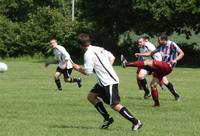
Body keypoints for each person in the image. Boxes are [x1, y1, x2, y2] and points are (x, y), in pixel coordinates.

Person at [72, 33, 142, 131]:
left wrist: (77, 68)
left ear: (79, 45)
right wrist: (106, 68)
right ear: (89, 41)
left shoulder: (88, 54)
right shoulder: (98, 48)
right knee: (91, 96)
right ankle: (107, 118)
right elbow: (112, 57)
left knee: (114, 105)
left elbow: (88, 72)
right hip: (104, 81)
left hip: (108, 81)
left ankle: (136, 122)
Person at [122, 32, 184, 107]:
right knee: (153, 85)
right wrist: (140, 54)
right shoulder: (160, 46)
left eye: (159, 40)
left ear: (164, 40)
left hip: (168, 66)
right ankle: (157, 104)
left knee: (148, 62)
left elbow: (181, 53)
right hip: (160, 66)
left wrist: (175, 60)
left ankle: (126, 64)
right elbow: (150, 53)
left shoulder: (172, 44)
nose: (158, 42)